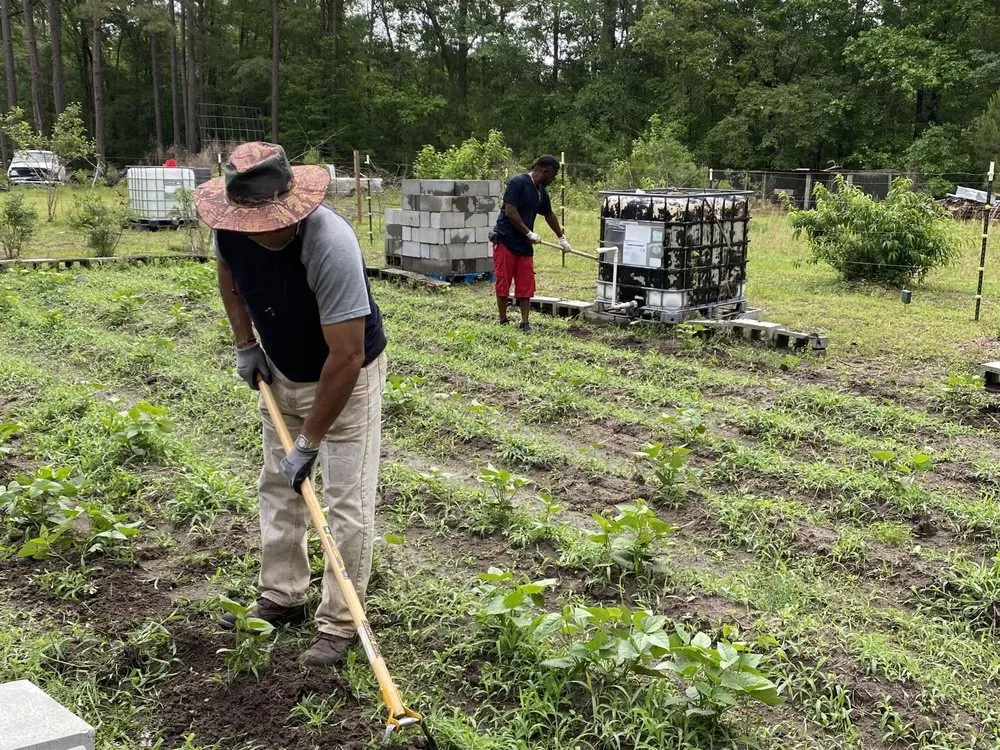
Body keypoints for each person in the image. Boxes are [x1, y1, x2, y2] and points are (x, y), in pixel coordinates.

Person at [193, 142, 387, 668]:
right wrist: (245, 345)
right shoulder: (230, 231)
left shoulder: (330, 244)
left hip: (347, 378)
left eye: (267, 221)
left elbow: (345, 357)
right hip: (279, 371)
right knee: (278, 485)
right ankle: (282, 593)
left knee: (344, 505)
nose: (257, 230)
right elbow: (230, 285)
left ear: (291, 208)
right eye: (246, 220)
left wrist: (309, 439)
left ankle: (339, 623)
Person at [490, 155, 573, 331]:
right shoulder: (517, 183)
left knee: (526, 283)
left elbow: (549, 214)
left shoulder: (541, 191)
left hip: (524, 244)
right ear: (546, 171)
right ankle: (503, 319)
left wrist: (561, 237)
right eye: (554, 175)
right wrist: (528, 233)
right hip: (505, 239)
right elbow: (510, 212)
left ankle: (525, 323)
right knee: (504, 282)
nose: (554, 179)